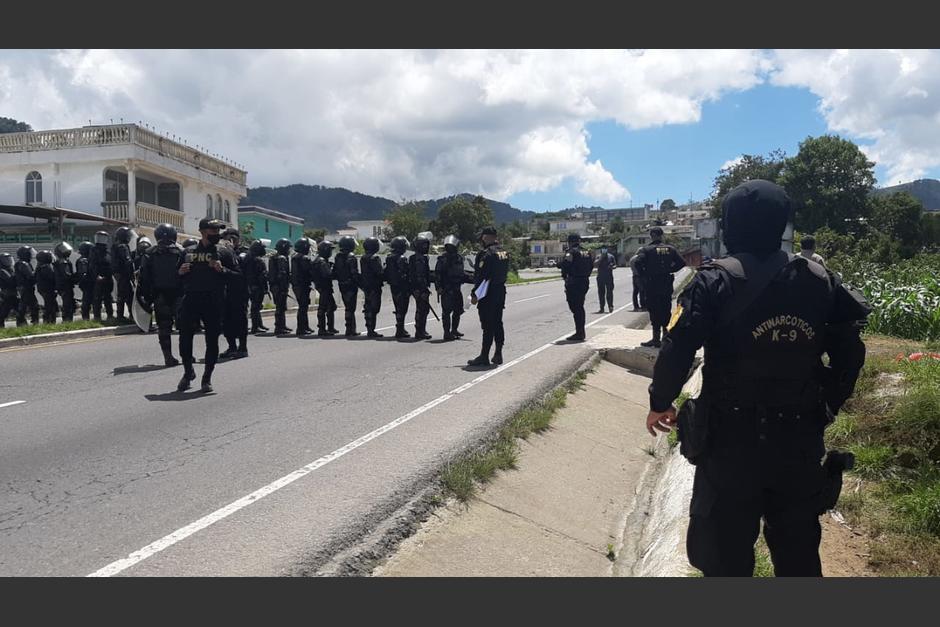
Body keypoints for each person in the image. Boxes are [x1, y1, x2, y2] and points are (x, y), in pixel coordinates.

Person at [645, 179, 871, 577]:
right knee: (798, 554)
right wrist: (828, 404)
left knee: (723, 558)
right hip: (797, 441)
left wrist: (660, 402)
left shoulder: (713, 281)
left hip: (730, 446)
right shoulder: (819, 281)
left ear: (732, 223)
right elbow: (851, 353)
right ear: (782, 223)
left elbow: (677, 349)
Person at [176, 218, 239, 393]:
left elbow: (238, 277)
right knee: (184, 338)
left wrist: (222, 270)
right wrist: (180, 273)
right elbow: (177, 277)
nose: (217, 235)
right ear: (202, 231)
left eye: (218, 231)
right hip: (191, 300)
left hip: (214, 301)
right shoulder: (188, 252)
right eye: (213, 231)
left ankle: (207, 378)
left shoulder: (224, 252)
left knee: (211, 340)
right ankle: (188, 372)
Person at [139, 223, 185, 367]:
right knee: (184, 326)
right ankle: (186, 355)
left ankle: (168, 357)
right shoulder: (181, 251)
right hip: (179, 293)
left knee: (164, 327)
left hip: (160, 294)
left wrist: (147, 297)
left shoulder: (149, 253)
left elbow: (144, 277)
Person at [635, 227, 685, 347]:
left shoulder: (647, 250)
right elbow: (682, 262)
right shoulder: (670, 249)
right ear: (662, 235)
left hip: (652, 284)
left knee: (654, 310)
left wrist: (644, 274)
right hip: (666, 283)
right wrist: (670, 270)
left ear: (651, 235)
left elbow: (637, 263)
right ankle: (665, 337)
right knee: (665, 309)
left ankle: (656, 338)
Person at [467, 226, 509, 366]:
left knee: (487, 325)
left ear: (485, 237)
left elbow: (481, 276)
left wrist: (474, 294)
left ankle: (484, 356)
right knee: (498, 322)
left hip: (488, 293)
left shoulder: (486, 254)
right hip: (500, 291)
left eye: (482, 237)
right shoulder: (504, 252)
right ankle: (498, 353)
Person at [434, 234, 472, 341]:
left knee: (458, 310)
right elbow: (438, 274)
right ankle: (447, 333)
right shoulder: (442, 259)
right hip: (447, 289)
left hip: (456, 288)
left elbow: (461, 272)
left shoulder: (459, 258)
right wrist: (439, 287)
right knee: (446, 312)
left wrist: (470, 278)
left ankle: (454, 330)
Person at [219, 227, 250, 357]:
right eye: (227, 238)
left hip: (240, 292)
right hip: (225, 292)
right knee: (226, 321)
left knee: (241, 320)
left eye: (233, 238)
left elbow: (242, 274)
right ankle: (231, 347)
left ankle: (242, 348)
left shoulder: (243, 253)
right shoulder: (223, 252)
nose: (230, 241)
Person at [559, 233, 593, 341]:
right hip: (584, 281)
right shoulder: (586, 252)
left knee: (576, 307)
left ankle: (580, 333)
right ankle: (580, 331)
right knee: (580, 306)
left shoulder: (571, 252)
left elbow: (565, 264)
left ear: (570, 242)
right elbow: (591, 265)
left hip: (574, 282)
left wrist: (559, 266)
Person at [334, 235, 362, 336]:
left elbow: (335, 271)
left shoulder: (338, 256)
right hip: (351, 285)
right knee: (351, 307)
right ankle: (350, 329)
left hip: (342, 284)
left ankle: (349, 328)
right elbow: (354, 272)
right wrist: (360, 283)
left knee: (347, 307)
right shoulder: (351, 257)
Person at [384, 236, 412, 339]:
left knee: (398, 307)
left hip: (393, 286)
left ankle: (400, 328)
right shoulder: (401, 258)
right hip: (402, 286)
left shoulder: (389, 258)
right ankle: (400, 329)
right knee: (402, 308)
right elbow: (406, 272)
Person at [359, 236, 385, 337]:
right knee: (374, 308)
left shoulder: (363, 258)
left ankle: (369, 328)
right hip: (374, 286)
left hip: (366, 285)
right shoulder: (375, 258)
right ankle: (371, 330)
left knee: (368, 306)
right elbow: (379, 272)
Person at [312, 239, 339, 336]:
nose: (330, 252)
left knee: (331, 306)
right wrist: (334, 269)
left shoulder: (319, 260)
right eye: (329, 250)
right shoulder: (321, 261)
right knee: (323, 307)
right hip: (324, 287)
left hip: (323, 286)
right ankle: (322, 329)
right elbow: (328, 274)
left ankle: (330, 327)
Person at [409, 234, 433, 340]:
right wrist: (421, 289)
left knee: (423, 309)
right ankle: (420, 331)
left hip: (418, 288)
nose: (426, 247)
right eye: (423, 245)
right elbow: (419, 275)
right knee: (422, 309)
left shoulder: (418, 258)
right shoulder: (419, 259)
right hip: (419, 288)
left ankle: (421, 330)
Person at [290, 237, 315, 336]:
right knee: (303, 307)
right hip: (303, 284)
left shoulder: (295, 257)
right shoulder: (304, 258)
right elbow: (309, 271)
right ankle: (301, 328)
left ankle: (305, 326)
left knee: (303, 306)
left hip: (297, 285)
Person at [268, 238, 293, 335]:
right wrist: (283, 288)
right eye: (288, 248)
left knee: (281, 306)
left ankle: (282, 325)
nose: (289, 250)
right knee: (280, 307)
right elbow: (282, 274)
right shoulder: (282, 258)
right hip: (279, 286)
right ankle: (279, 327)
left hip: (275, 286)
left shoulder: (273, 257)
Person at [89, 231, 115, 321]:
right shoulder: (94, 250)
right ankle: (97, 316)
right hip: (98, 278)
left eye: (103, 237)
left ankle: (110, 315)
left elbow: (111, 263)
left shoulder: (108, 251)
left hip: (108, 277)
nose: (101, 240)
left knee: (108, 297)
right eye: (99, 237)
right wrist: (96, 276)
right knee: (97, 298)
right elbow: (92, 265)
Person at [112, 226, 135, 321]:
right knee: (129, 295)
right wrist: (132, 274)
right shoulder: (123, 247)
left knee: (122, 295)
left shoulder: (115, 246)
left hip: (119, 274)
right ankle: (128, 315)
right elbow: (127, 261)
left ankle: (121, 315)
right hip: (124, 274)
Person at [246, 240, 269, 334]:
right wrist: (265, 288)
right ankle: (255, 326)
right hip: (257, 285)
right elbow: (262, 275)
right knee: (256, 306)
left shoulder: (248, 258)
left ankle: (259, 324)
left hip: (250, 285)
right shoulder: (257, 260)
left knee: (256, 306)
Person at [14, 246, 39, 326]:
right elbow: (30, 276)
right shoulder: (23, 264)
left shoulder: (23, 263)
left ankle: (28, 321)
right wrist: (38, 270)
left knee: (31, 306)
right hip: (25, 288)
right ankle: (22, 322)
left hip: (26, 288)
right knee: (28, 306)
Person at [53, 242, 77, 323]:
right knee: (68, 303)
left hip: (63, 286)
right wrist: (76, 277)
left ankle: (67, 319)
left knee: (68, 303)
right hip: (65, 286)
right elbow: (67, 275)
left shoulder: (60, 261)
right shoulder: (63, 262)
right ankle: (67, 320)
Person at [35, 250, 58, 324]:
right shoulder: (46, 267)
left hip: (45, 289)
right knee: (50, 306)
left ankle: (49, 321)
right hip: (48, 289)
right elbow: (52, 277)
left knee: (50, 305)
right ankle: (49, 321)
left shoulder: (41, 266)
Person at [75, 241, 95, 321]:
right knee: (87, 301)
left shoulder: (86, 259)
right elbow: (84, 273)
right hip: (88, 284)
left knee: (89, 301)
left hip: (87, 283)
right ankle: (86, 318)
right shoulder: (84, 260)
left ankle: (87, 318)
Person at [594, 245, 617, 313]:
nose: (604, 250)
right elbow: (595, 264)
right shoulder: (598, 256)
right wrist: (601, 258)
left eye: (605, 249)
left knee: (609, 292)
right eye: (603, 249)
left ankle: (610, 306)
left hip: (609, 277)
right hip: (600, 277)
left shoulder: (611, 256)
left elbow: (615, 265)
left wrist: (612, 266)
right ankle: (602, 307)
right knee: (601, 293)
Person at [0, 253, 18, 326]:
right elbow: (10, 281)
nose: (8, 261)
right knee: (4, 312)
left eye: (9, 259)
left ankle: (22, 325)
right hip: (7, 293)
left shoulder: (10, 269)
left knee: (19, 310)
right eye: (6, 260)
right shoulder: (2, 271)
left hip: (13, 293)